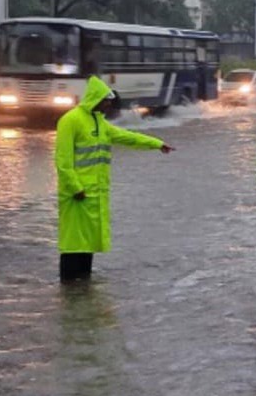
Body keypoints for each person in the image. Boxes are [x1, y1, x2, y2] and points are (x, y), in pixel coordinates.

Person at [55, 76, 174, 282]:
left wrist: (157, 144)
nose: (109, 105)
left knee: (87, 245)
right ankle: (68, 289)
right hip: (77, 196)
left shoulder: (101, 124)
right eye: (106, 101)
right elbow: (63, 162)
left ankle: (82, 292)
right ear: (96, 99)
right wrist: (76, 188)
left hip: (94, 194)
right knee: (73, 244)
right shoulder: (70, 121)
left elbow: (128, 137)